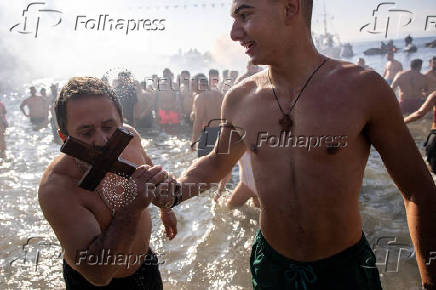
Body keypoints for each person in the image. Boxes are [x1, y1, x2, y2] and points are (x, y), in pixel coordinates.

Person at [151, 1, 436, 289]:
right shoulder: (240, 99)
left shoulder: (363, 89)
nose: (234, 33)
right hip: (271, 265)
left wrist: (430, 279)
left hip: (344, 269)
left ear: (289, 8)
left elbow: (418, 190)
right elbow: (216, 162)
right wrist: (173, 192)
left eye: (245, 16)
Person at [38, 77, 177, 289]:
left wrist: (166, 209)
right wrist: (131, 207)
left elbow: (149, 172)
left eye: (108, 126)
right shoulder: (57, 188)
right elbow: (98, 274)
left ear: (122, 121)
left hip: (145, 265)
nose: (102, 140)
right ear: (64, 138)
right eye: (86, 132)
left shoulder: (130, 137)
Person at [190, 74, 224, 155]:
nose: (192, 87)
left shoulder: (200, 97)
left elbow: (199, 121)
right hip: (223, 131)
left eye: (193, 85)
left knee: (204, 164)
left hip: (209, 134)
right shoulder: (219, 93)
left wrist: (194, 141)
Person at [404, 90, 436, 173]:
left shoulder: (434, 95)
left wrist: (402, 121)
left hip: (435, 138)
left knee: (433, 171)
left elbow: (419, 113)